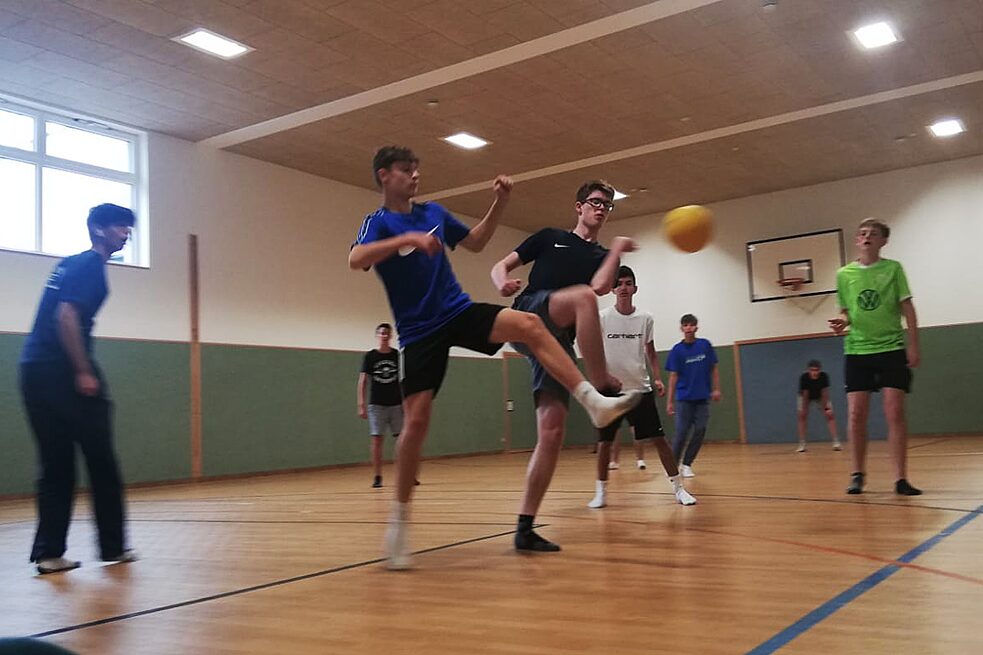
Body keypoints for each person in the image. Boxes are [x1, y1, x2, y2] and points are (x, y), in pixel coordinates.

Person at [350, 147, 639, 569]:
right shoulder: (378, 223)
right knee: (416, 423)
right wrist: (405, 240)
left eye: (417, 169)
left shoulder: (433, 211)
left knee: (530, 327)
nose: (415, 176)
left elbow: (478, 241)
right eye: (406, 171)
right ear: (384, 176)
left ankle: (593, 402)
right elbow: (355, 258)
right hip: (418, 332)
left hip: (457, 311)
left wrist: (500, 201)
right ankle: (399, 519)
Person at [491, 180, 642, 551]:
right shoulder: (549, 237)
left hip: (555, 342)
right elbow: (502, 264)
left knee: (553, 431)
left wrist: (618, 249)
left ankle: (524, 529)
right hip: (528, 313)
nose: (602, 208)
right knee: (581, 298)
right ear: (578, 207)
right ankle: (600, 386)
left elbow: (603, 285)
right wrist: (501, 283)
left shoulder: (604, 255)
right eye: (595, 202)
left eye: (607, 204)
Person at [19, 203, 138, 574]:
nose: (126, 233)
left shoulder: (66, 264)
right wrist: (83, 370)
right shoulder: (90, 266)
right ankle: (113, 547)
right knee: (101, 461)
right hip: (63, 373)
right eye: (120, 226)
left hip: (34, 370)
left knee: (55, 464)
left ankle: (49, 554)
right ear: (98, 229)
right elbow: (66, 316)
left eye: (128, 228)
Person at [588, 266, 697, 508]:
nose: (624, 288)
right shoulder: (603, 318)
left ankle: (679, 489)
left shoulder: (646, 318)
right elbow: (593, 350)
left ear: (635, 288)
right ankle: (601, 492)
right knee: (604, 443)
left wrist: (657, 377)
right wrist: (602, 377)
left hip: (640, 390)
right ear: (613, 289)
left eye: (628, 283)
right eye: (620, 284)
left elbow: (650, 351)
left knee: (659, 440)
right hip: (610, 392)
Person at [829, 218, 921, 495]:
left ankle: (900, 479)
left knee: (894, 411)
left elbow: (907, 307)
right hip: (858, 350)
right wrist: (841, 322)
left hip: (892, 347)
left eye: (874, 233)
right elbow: (845, 310)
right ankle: (857, 474)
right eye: (862, 233)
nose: (867, 236)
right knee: (857, 413)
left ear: (883, 241)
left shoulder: (893, 269)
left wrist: (913, 344)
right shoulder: (844, 274)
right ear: (857, 240)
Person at [665, 314, 721, 477]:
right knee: (681, 433)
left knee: (700, 429)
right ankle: (672, 467)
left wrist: (716, 389)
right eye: (685, 325)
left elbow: (714, 368)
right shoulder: (677, 350)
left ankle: (687, 464)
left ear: (696, 327)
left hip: (702, 398)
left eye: (691, 325)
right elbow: (673, 376)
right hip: (684, 399)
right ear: (681, 328)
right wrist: (670, 402)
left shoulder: (705, 346)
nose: (688, 328)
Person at [357, 323, 403, 488]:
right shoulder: (370, 356)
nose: (384, 336)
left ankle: (405, 474)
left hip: (396, 404)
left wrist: (406, 402)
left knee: (401, 440)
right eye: (381, 333)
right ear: (377, 335)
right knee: (377, 440)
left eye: (387, 333)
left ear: (390, 336)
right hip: (376, 405)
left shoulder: (397, 355)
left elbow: (402, 380)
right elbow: (363, 381)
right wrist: (361, 403)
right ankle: (377, 476)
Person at [796, 359, 841, 452]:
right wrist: (804, 409)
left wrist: (826, 408)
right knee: (802, 416)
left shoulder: (824, 376)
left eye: (816, 370)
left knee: (830, 415)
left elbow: (825, 393)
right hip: (805, 397)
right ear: (808, 370)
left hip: (820, 396)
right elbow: (805, 394)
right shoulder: (804, 378)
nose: (814, 373)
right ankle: (802, 444)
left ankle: (836, 442)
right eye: (812, 370)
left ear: (820, 370)